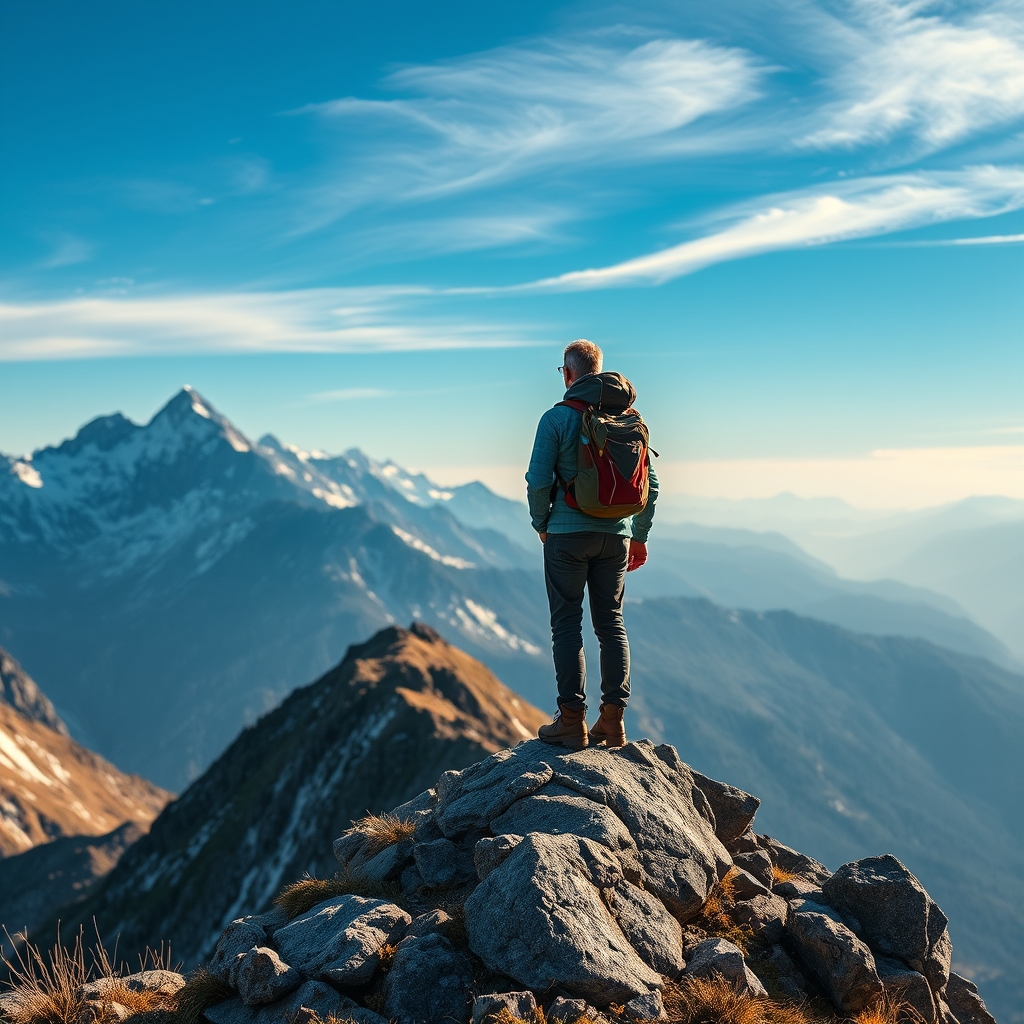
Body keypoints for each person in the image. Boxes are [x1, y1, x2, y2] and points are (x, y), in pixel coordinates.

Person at [526, 339, 658, 750]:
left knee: (566, 624)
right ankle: (613, 722)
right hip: (616, 537)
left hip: (566, 535)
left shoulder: (557, 418)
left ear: (568, 374)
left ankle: (571, 722)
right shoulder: (631, 418)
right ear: (599, 371)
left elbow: (538, 479)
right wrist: (638, 535)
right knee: (611, 624)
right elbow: (649, 486)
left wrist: (542, 523)